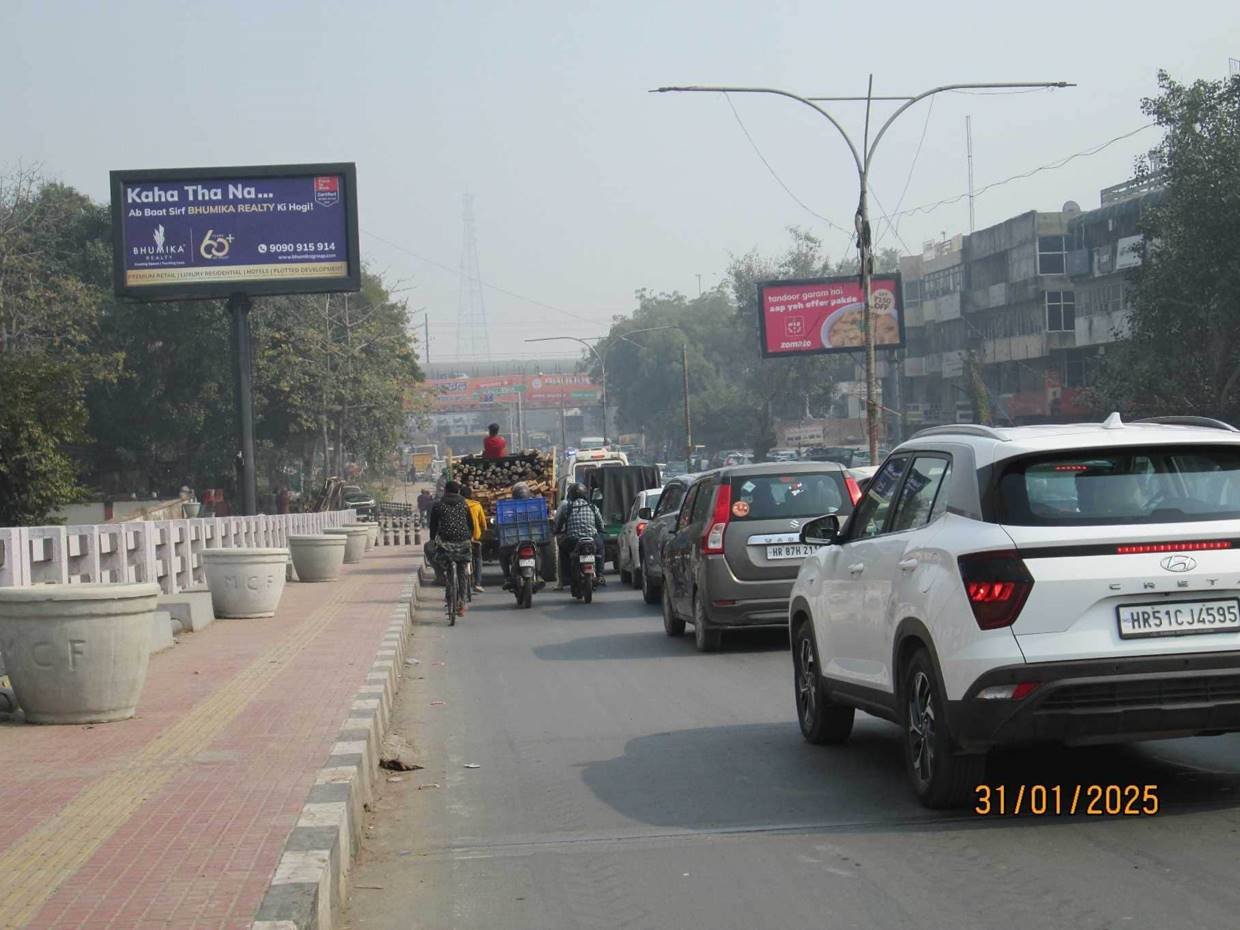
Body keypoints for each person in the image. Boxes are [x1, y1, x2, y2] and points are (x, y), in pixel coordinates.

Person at [428, 480, 473, 616]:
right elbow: (470, 524)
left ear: (445, 491)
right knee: (461, 570)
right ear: (458, 491)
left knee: (443, 561)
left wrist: (432, 539)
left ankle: (443, 579)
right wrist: (468, 537)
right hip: (463, 542)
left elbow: (433, 526)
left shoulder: (438, 505)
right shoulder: (464, 504)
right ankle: (462, 603)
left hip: (445, 543)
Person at [553, 483, 605, 591]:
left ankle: (566, 577)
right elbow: (600, 524)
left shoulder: (567, 507)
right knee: (600, 549)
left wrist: (556, 531)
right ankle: (600, 575)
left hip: (573, 541)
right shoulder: (592, 507)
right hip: (592, 539)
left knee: (563, 550)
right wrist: (600, 530)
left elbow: (559, 523)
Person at [460, 484, 488, 593]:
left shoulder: (459, 505)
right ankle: (477, 583)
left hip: (461, 538)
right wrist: (483, 530)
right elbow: (483, 523)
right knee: (478, 559)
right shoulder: (477, 505)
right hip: (475, 538)